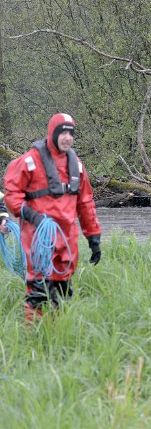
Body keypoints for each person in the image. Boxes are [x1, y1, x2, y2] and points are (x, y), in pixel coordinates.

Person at [3, 113, 102, 320]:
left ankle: (57, 330)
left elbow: (85, 203)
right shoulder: (30, 161)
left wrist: (93, 238)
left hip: (67, 236)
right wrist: (33, 216)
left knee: (63, 288)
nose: (67, 137)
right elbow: (12, 196)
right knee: (38, 289)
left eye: (71, 133)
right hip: (38, 234)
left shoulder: (77, 166)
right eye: (63, 132)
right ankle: (34, 338)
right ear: (53, 133)